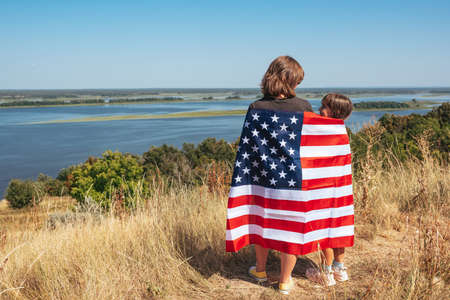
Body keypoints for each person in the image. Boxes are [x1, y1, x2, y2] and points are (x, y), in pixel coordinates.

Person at [246, 55, 312, 294]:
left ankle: (261, 270)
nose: (297, 87)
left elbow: (249, 148)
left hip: (263, 178)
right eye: (296, 81)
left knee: (263, 221)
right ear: (287, 80)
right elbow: (311, 144)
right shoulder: (303, 107)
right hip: (295, 176)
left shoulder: (256, 108)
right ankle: (285, 280)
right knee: (290, 226)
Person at [307, 93, 353, 286]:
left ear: (335, 111)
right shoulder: (342, 131)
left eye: (324, 106)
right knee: (339, 225)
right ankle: (339, 268)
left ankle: (326, 273)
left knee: (325, 228)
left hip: (325, 187)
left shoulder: (324, 130)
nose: (320, 109)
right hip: (341, 187)